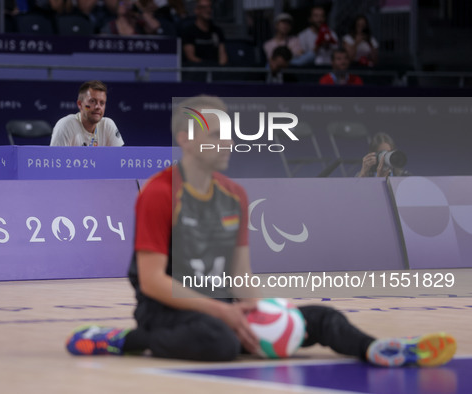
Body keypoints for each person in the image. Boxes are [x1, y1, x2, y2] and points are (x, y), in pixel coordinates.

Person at [65, 96, 456, 367]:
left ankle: (380, 350)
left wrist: (266, 310)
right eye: (216, 135)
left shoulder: (233, 195)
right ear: (186, 140)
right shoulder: (159, 192)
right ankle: (123, 340)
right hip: (167, 311)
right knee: (218, 341)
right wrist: (223, 312)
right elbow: (152, 282)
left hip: (223, 303)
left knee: (319, 318)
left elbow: (241, 279)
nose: (228, 142)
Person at [50, 80, 124, 147]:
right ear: (80, 104)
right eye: (92, 101)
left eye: (102, 103)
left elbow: (119, 158)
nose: (98, 107)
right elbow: (55, 160)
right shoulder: (65, 125)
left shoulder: (107, 125)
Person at [181, 0, 228, 66]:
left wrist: (220, 69)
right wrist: (207, 66)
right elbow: (191, 57)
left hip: (216, 71)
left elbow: (223, 55)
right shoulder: (188, 31)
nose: (208, 10)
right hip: (197, 71)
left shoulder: (217, 31)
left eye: (210, 7)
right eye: (204, 7)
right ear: (196, 10)